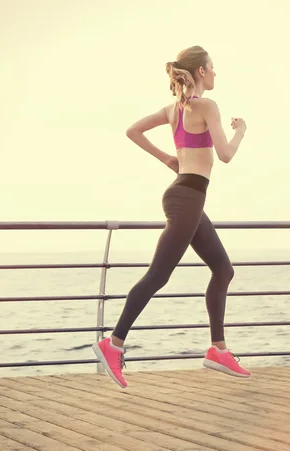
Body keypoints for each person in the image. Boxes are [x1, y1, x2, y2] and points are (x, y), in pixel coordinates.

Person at [92, 45, 249, 388]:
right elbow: (225, 155)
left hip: (185, 195)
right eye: (213, 67)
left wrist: (167, 159)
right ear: (202, 72)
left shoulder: (174, 109)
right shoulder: (207, 106)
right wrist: (241, 130)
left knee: (223, 269)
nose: (216, 73)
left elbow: (133, 130)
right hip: (187, 198)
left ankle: (218, 350)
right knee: (158, 275)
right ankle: (112, 344)